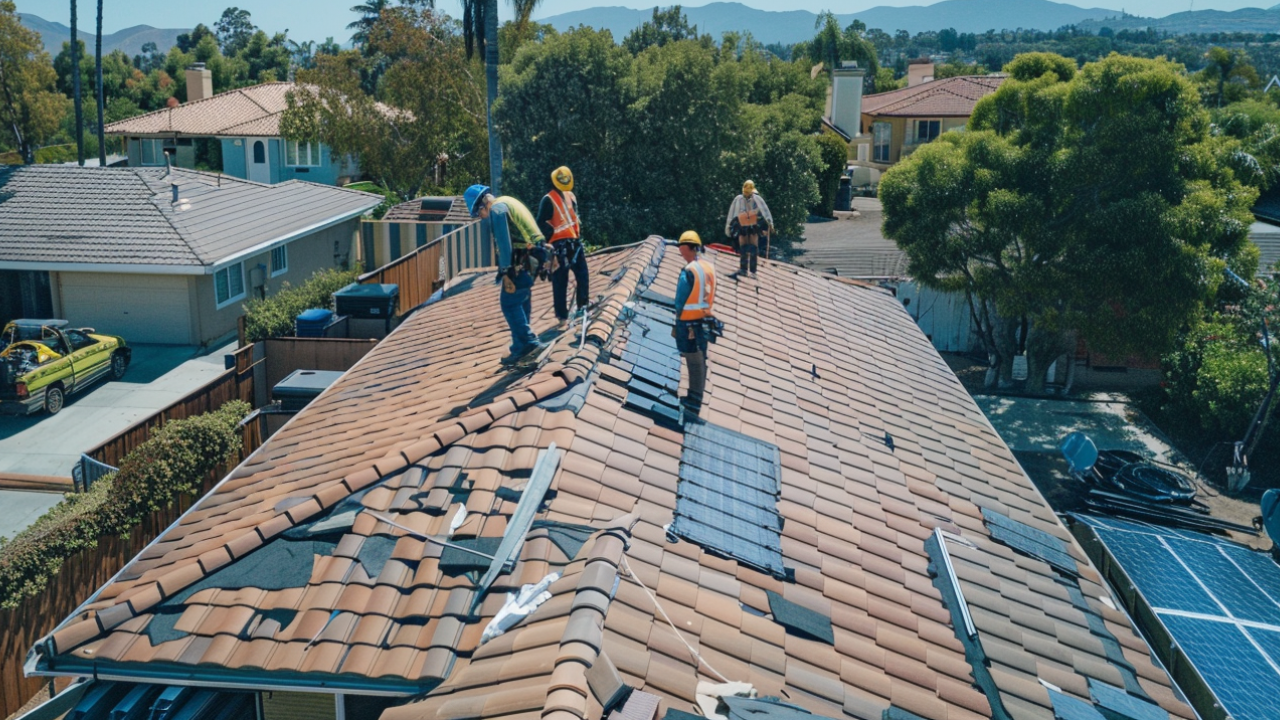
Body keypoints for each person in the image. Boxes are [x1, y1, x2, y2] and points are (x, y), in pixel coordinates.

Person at [465, 184, 548, 365]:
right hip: (535, 255)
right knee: (521, 299)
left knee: (508, 303)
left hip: (521, 258)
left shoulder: (497, 210)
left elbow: (504, 244)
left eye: (478, 213)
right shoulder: (507, 201)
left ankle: (528, 343)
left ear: (483, 203)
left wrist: (506, 272)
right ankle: (519, 347)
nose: (481, 217)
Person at [536, 166, 590, 326]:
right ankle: (562, 316)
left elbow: (574, 218)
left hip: (574, 242)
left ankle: (582, 306)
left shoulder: (570, 196)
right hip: (558, 245)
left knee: (582, 274)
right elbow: (539, 223)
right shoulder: (548, 200)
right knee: (561, 280)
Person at [673, 230, 716, 414]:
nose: (681, 254)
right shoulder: (708, 267)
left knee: (693, 360)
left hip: (689, 321)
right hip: (704, 320)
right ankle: (696, 396)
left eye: (682, 250)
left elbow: (680, 299)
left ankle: (694, 399)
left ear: (687, 248)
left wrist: (678, 318)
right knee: (701, 358)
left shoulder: (689, 271)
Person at [724, 179, 774, 279]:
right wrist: (728, 226)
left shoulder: (756, 198)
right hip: (742, 225)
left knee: (753, 246)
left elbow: (765, 210)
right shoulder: (738, 199)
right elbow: (732, 213)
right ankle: (743, 269)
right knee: (743, 246)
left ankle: (753, 271)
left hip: (753, 225)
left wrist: (769, 222)